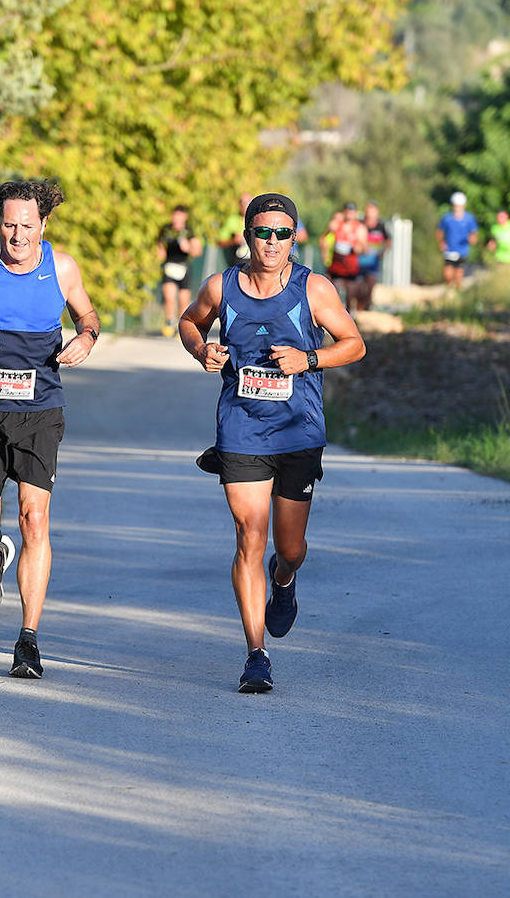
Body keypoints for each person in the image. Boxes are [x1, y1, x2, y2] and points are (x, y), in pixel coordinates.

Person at [180, 192, 366, 693]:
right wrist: (202, 349)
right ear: (247, 235)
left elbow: (354, 344)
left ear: (295, 238)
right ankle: (256, 654)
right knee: (249, 537)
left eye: (283, 233)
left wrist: (308, 359)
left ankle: (284, 582)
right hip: (240, 428)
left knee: (290, 548)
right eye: (263, 232)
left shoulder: (315, 289)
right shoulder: (222, 286)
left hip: (298, 431)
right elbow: (189, 321)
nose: (273, 242)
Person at [0, 179, 100, 679]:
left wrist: (86, 339)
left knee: (34, 520)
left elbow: (88, 316)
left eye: (27, 225)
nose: (18, 234)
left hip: (39, 410)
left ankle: (28, 638)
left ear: (42, 224)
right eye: (9, 224)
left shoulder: (62, 267)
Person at [157, 205, 203, 337]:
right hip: (169, 266)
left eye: (179, 216)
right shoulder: (166, 230)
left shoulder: (189, 231)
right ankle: (169, 322)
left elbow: (197, 251)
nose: (176, 219)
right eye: (174, 215)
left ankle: (181, 326)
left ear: (184, 217)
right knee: (169, 296)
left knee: (183, 300)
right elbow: (160, 246)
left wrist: (188, 248)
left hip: (184, 267)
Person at [326, 202, 370, 310]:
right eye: (347, 212)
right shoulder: (336, 225)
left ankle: (351, 317)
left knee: (351, 295)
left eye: (352, 212)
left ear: (355, 213)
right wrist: (325, 254)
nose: (349, 215)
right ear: (344, 212)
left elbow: (364, 248)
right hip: (336, 266)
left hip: (351, 267)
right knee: (334, 292)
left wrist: (356, 248)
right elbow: (325, 238)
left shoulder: (360, 228)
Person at [435, 191, 478, 288]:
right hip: (449, 250)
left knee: (459, 274)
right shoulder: (447, 218)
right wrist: (441, 242)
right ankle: (449, 290)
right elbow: (439, 231)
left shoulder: (469, 218)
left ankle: (458, 294)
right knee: (448, 274)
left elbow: (474, 233)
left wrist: (473, 239)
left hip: (463, 250)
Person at [355, 201, 391, 311]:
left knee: (371, 285)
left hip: (373, 261)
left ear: (377, 212)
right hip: (359, 261)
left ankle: (367, 306)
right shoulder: (360, 224)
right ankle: (359, 307)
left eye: (372, 211)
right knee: (359, 287)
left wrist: (382, 252)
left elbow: (389, 240)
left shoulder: (381, 226)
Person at [216, 192, 254, 266]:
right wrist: (233, 241)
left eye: (248, 202)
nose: (244, 205)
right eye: (242, 202)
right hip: (237, 264)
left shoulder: (259, 220)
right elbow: (220, 242)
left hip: (255, 265)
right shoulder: (232, 220)